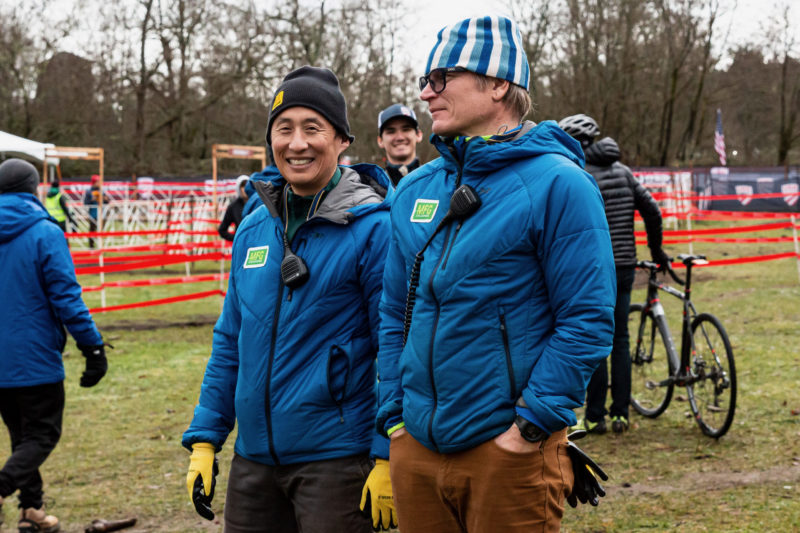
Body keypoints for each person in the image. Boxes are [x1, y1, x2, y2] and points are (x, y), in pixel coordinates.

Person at [376, 16, 616, 532]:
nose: (425, 92)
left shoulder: (559, 184)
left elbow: (588, 319)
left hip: (508, 453)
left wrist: (528, 428)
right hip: (415, 447)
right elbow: (395, 310)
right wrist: (394, 417)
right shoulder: (414, 191)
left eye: (441, 78)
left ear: (498, 84)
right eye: (426, 79)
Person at [182, 66, 397, 533]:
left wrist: (386, 452)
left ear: (341, 140)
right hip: (253, 462)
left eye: (312, 128)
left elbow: (395, 349)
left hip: (337, 461)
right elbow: (230, 340)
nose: (296, 143)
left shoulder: (374, 228)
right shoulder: (254, 228)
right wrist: (205, 439)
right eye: (284, 129)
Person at [0, 158, 108, 533]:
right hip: (33, 358)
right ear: (35, 189)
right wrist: (93, 348)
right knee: (43, 434)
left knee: (21, 438)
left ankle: (32, 510)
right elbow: (67, 297)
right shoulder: (45, 232)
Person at [559, 113, 669, 435]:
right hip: (625, 267)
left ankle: (595, 416)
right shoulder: (623, 172)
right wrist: (656, 249)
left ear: (577, 143)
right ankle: (621, 414)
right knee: (619, 339)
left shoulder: (578, 174)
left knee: (596, 340)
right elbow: (653, 211)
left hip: (592, 269)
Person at [376, 103, 423, 186]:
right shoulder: (371, 186)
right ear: (380, 141)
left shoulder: (437, 180)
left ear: (418, 135)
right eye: (391, 131)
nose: (400, 137)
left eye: (406, 129)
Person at [217, 174, 249, 241]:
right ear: (238, 188)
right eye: (243, 185)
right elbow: (222, 230)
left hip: (258, 244)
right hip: (241, 246)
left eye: (247, 185)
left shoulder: (258, 203)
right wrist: (237, 238)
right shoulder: (233, 207)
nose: (245, 188)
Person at [82, 175, 106, 248]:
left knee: (101, 230)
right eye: (98, 181)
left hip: (101, 214)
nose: (99, 183)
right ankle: (91, 246)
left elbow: (107, 201)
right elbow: (86, 203)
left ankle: (101, 245)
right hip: (92, 214)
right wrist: (92, 199)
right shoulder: (89, 192)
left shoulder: (101, 191)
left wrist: (105, 199)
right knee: (92, 230)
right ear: (94, 182)